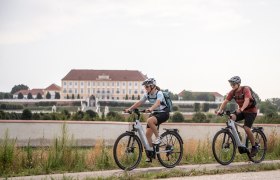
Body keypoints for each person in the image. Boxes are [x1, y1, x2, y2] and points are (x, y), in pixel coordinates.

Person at [124, 78, 170, 162]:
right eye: (145, 87)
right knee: (147, 135)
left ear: (152, 86)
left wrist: (151, 109)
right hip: (155, 113)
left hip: (164, 113)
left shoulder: (159, 93)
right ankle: (151, 155)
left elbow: (158, 103)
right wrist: (129, 109)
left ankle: (158, 138)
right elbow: (139, 103)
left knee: (149, 120)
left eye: (147, 86)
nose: (146, 88)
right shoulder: (147, 94)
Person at [216, 76, 258, 157]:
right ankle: (237, 135)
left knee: (246, 128)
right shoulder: (232, 92)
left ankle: (254, 147)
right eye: (231, 84)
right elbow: (225, 101)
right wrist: (220, 110)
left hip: (251, 111)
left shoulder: (245, 89)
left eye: (234, 84)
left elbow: (247, 100)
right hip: (242, 111)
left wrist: (241, 109)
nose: (232, 85)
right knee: (231, 117)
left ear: (238, 84)